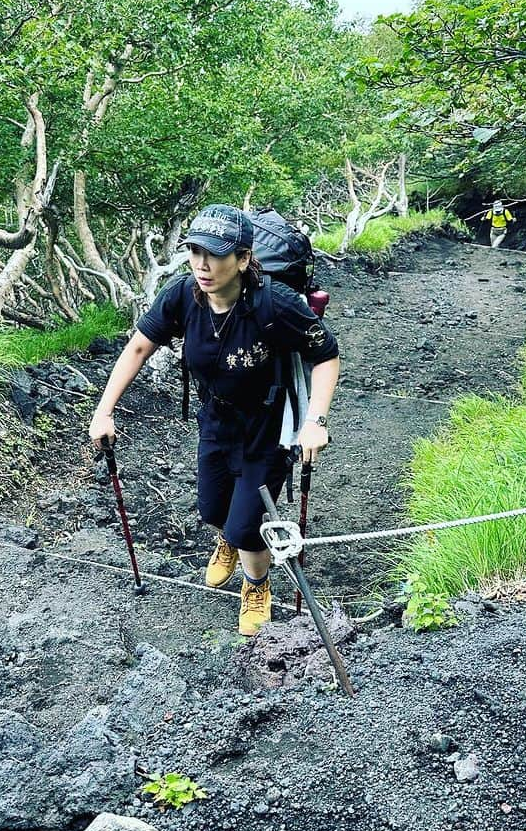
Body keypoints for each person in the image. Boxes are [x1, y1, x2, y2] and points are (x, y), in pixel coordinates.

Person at [88, 203, 340, 636]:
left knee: (247, 526)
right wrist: (103, 410)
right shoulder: (182, 295)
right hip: (216, 418)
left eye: (216, 255)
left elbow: (325, 356)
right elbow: (137, 348)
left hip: (268, 424)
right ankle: (228, 540)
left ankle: (256, 584)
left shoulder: (274, 305)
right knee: (210, 508)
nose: (202, 265)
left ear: (243, 260)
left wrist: (315, 420)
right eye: (195, 252)